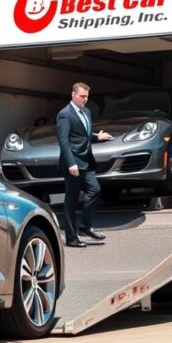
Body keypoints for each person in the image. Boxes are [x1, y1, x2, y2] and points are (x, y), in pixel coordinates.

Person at [56, 82, 113, 247]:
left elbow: (82, 136)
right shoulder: (64, 115)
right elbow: (64, 141)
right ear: (73, 95)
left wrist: (97, 137)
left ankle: (85, 226)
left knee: (95, 190)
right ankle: (72, 239)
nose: (85, 99)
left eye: (87, 96)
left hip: (86, 161)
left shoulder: (86, 112)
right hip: (73, 164)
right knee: (71, 202)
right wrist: (70, 163)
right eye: (82, 96)